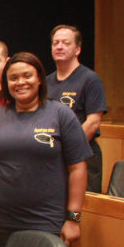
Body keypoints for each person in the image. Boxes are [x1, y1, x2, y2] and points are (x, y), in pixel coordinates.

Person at [0, 52, 92, 247]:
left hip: (47, 220)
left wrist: (73, 219)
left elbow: (78, 169)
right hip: (2, 221)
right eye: (13, 78)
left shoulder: (60, 114)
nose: (20, 82)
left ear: (39, 79)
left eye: (27, 76)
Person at [46, 24, 107, 193]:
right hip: (53, 158)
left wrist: (67, 150)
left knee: (81, 211)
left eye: (65, 43)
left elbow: (93, 122)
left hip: (82, 156)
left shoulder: (90, 79)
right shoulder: (46, 82)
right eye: (55, 43)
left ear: (77, 49)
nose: (59, 46)